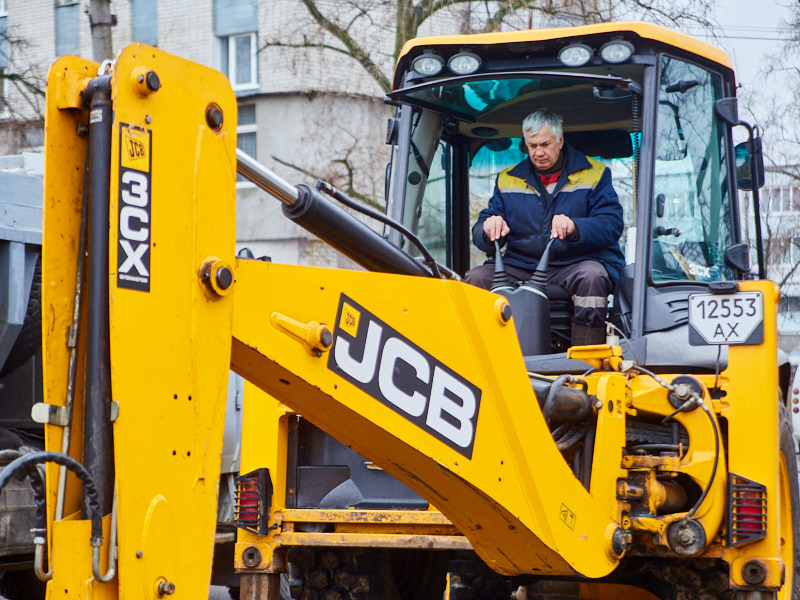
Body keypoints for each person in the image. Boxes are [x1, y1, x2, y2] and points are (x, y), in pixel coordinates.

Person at [465, 108, 625, 346]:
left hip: (574, 263)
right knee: (476, 278)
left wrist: (575, 228)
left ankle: (587, 356)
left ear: (560, 140)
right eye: (532, 146)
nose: (538, 152)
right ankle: (486, 355)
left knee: (592, 276)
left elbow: (611, 224)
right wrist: (488, 229)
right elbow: (481, 228)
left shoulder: (595, 175)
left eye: (544, 144)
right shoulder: (508, 179)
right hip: (521, 265)